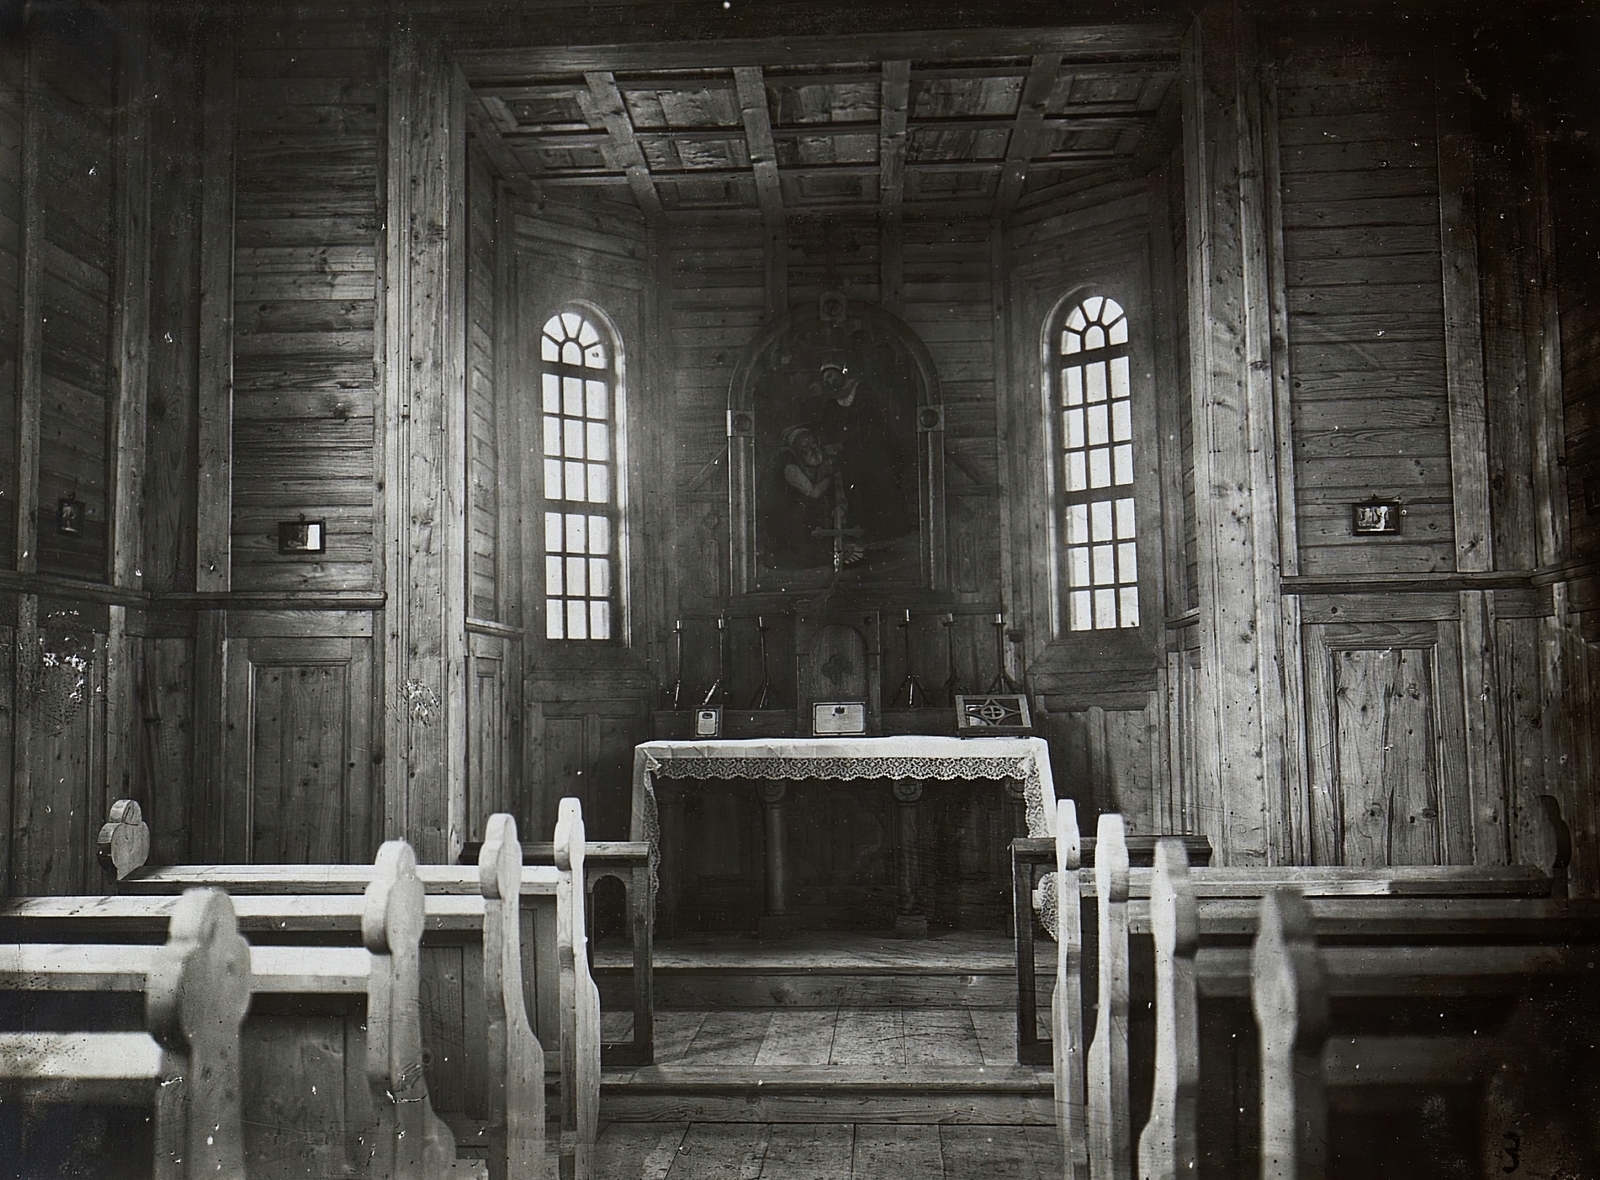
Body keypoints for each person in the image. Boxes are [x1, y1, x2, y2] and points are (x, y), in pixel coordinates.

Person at [763, 424, 860, 569]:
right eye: (805, 445)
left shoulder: (817, 464)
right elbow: (813, 493)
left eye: (813, 443)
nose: (811, 448)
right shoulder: (791, 468)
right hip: (795, 521)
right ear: (796, 449)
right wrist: (830, 476)